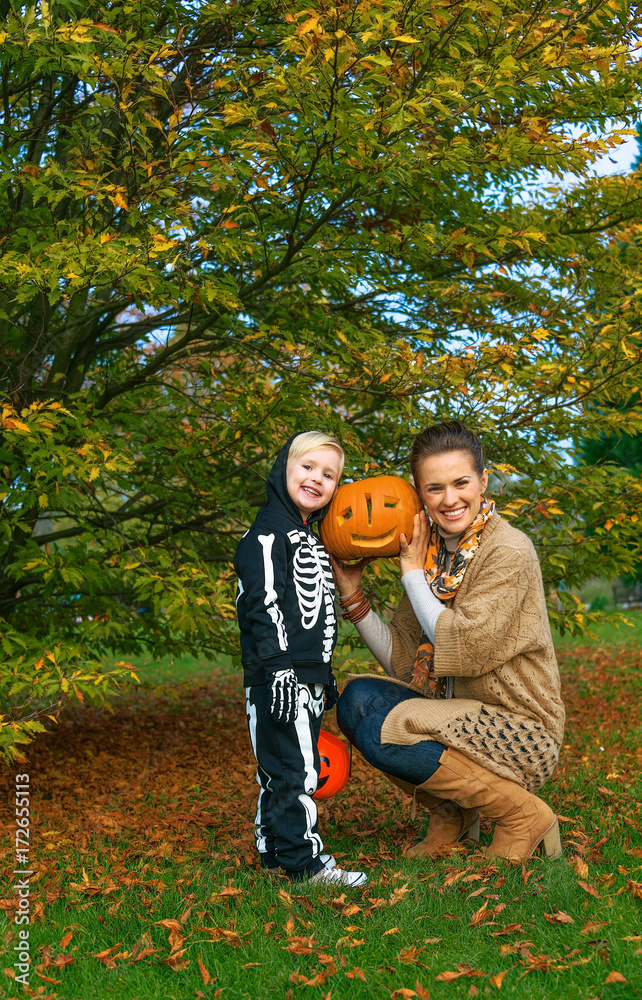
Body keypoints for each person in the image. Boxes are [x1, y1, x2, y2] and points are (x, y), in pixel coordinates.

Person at [334, 421, 565, 862]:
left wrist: (411, 575)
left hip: (519, 728)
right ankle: (451, 816)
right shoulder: (432, 557)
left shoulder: (508, 551)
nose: (449, 499)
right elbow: (405, 662)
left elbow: (466, 647)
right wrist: (352, 594)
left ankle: (522, 816)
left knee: (384, 731)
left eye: (461, 482)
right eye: (434, 488)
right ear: (420, 495)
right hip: (459, 716)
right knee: (356, 703)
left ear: (482, 479)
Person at [234, 431, 367, 886]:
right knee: (295, 771)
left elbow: (315, 619)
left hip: (303, 676)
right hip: (278, 675)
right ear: (283, 469)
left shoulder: (304, 536)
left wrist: (321, 674)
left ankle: (274, 851)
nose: (317, 479)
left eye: (329, 475)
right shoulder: (267, 535)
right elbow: (263, 604)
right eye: (307, 467)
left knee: (284, 767)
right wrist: (280, 670)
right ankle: (306, 865)